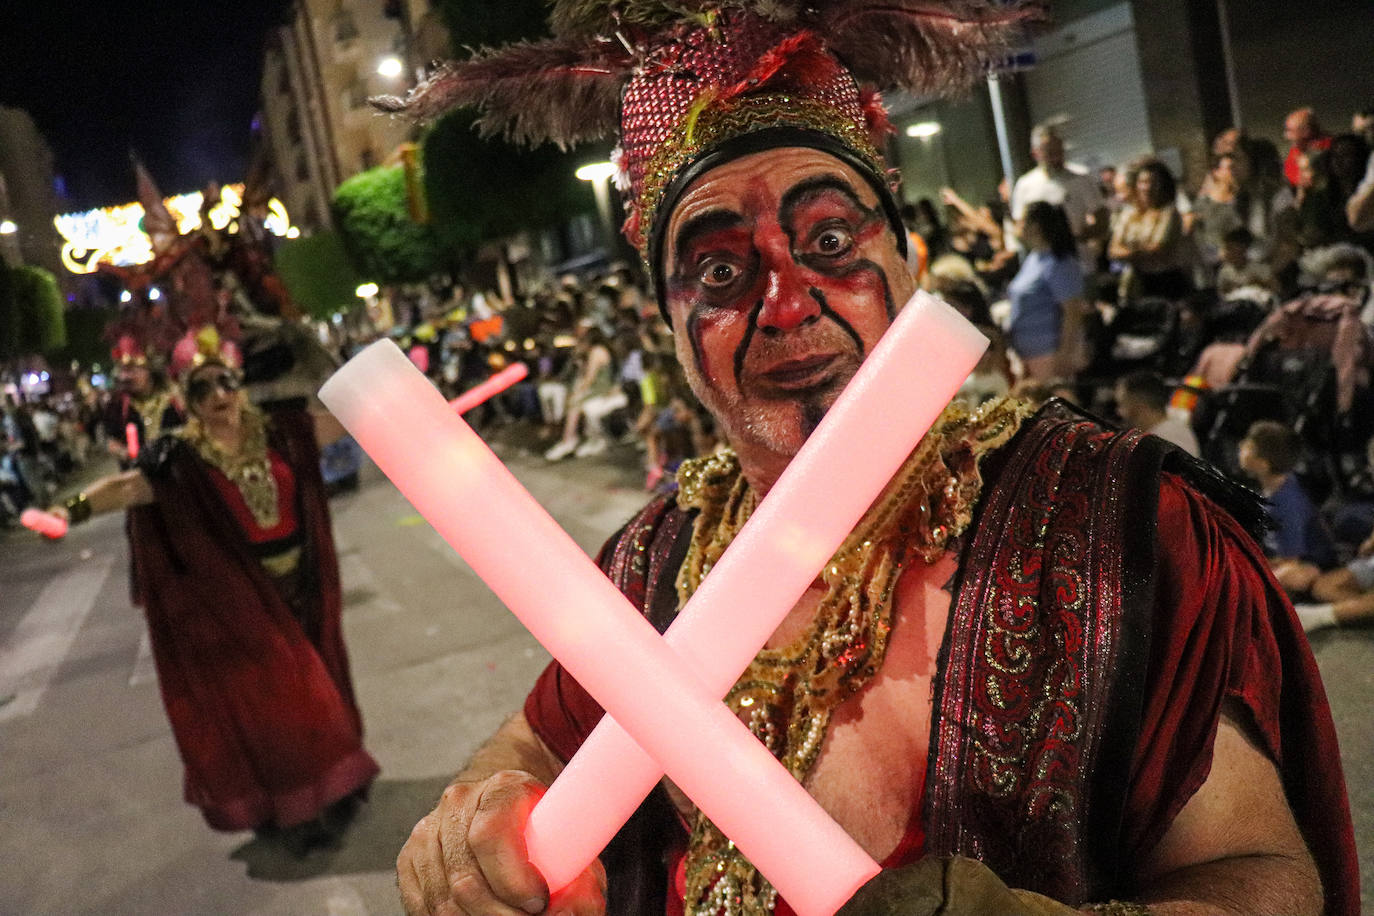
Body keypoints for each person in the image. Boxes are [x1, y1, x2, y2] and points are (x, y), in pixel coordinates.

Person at [383, 4, 1357, 915]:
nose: (789, 302)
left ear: (908, 262)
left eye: (831, 239)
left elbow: (1264, 874)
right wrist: (474, 816)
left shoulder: (1111, 532)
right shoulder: (646, 566)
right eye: (720, 270)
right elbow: (534, 739)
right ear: (669, 325)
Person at [48, 333, 378, 852]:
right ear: (189, 400)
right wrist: (67, 513)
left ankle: (330, 790)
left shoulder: (284, 434)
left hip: (303, 588)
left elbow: (354, 415)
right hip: (240, 604)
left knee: (320, 693)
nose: (217, 397)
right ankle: (298, 810)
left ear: (240, 385)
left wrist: (374, 376)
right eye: (202, 390)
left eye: (225, 382)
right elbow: (127, 488)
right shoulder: (180, 459)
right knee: (288, 705)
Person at [1237, 420, 1338, 571]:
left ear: (1264, 464)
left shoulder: (1286, 503)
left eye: (1249, 447)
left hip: (1309, 566)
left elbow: (1291, 560)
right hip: (1282, 559)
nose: (1241, 446)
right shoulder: (1278, 486)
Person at [1006, 202, 1088, 381]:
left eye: (1021, 222)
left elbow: (1072, 312)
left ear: (1035, 226)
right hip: (1029, 353)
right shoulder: (1034, 258)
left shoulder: (1060, 263)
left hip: (1049, 353)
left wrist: (1065, 353)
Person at [1010, 123, 1108, 267]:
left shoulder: (1081, 177)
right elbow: (1019, 227)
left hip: (1080, 263)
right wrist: (1042, 244)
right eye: (1050, 153)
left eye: (1059, 151)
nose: (1056, 157)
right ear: (1035, 153)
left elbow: (1101, 219)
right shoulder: (1025, 185)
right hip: (1044, 267)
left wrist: (1075, 238)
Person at [1109, 160, 1192, 302]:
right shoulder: (1128, 214)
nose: (1147, 187)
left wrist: (1129, 252)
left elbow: (1159, 249)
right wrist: (1140, 252)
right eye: (1143, 182)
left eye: (1153, 182)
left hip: (1167, 280)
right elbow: (1113, 250)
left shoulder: (1169, 213)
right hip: (1139, 281)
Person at [1114, 370, 1199, 457]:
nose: (1118, 412)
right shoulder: (1170, 430)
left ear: (1140, 406)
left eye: (1122, 405)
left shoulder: (1165, 441)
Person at [1282, 107, 1332, 190]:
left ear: (1306, 132)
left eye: (1290, 131)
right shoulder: (1299, 148)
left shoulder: (1330, 151)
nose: (1286, 136)